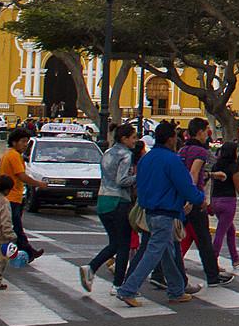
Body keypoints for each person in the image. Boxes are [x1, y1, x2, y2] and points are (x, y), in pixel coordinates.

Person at [115, 124, 206, 307]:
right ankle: (128, 289)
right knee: (155, 252)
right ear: (171, 138)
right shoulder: (172, 160)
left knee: (167, 252)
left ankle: (176, 290)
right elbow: (185, 185)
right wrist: (199, 199)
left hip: (149, 211)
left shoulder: (146, 159)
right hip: (165, 212)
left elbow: (139, 184)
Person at [82, 123, 139, 292]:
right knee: (123, 245)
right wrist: (138, 176)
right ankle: (118, 283)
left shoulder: (107, 153)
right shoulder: (126, 155)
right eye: (133, 137)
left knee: (114, 242)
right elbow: (122, 180)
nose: (135, 141)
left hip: (103, 200)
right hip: (119, 202)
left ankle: (91, 268)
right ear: (124, 138)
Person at [177, 119, 228, 285]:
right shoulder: (200, 151)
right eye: (206, 130)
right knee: (204, 239)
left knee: (175, 237)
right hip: (195, 200)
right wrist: (193, 198)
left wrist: (213, 176)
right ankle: (212, 275)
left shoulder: (183, 150)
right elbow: (194, 173)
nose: (208, 134)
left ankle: (160, 271)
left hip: (182, 197)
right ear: (199, 132)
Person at [0, 128, 48, 264]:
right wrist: (38, 184)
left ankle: (21, 251)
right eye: (23, 141)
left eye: (27, 142)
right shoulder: (14, 156)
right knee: (16, 228)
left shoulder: (10, 155)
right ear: (14, 142)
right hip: (12, 197)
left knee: (12, 227)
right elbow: (21, 175)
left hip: (12, 196)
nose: (25, 145)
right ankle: (28, 252)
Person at [210, 134, 239, 268]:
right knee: (220, 232)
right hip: (228, 202)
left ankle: (235, 258)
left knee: (230, 230)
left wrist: (211, 202)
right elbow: (238, 187)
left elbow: (212, 186)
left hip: (216, 200)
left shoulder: (216, 166)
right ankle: (212, 261)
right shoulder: (234, 167)